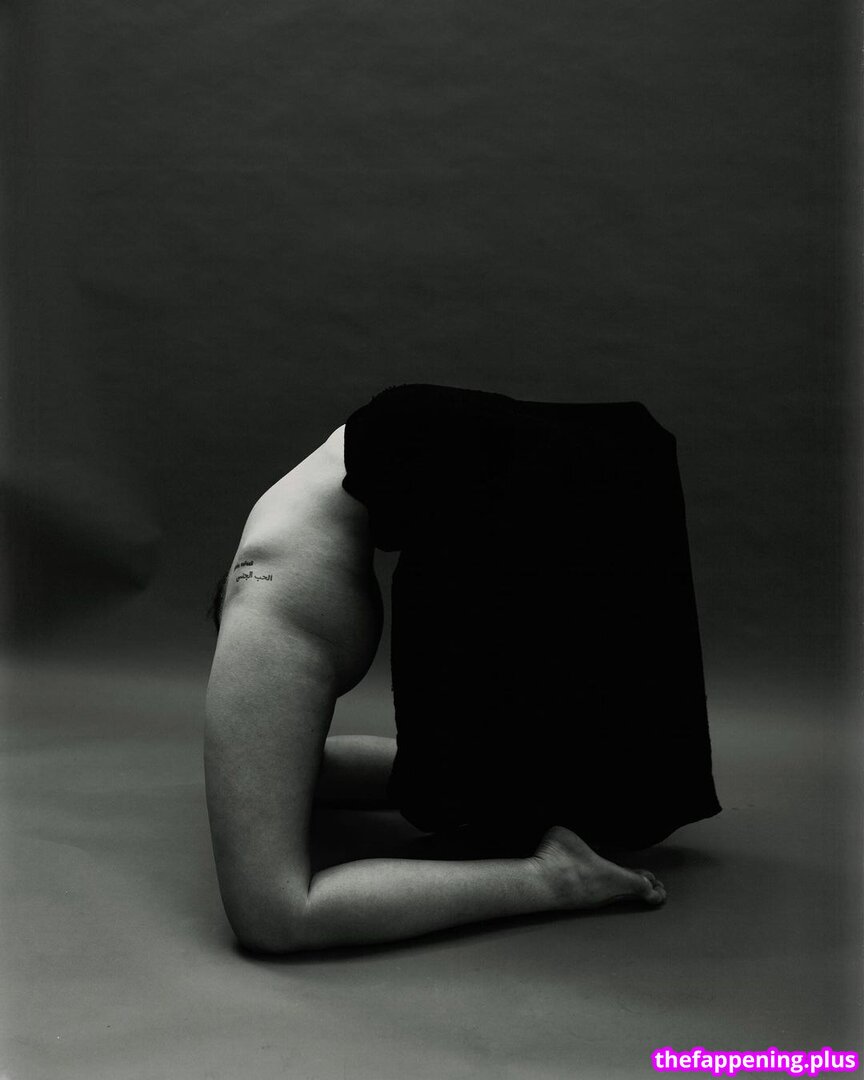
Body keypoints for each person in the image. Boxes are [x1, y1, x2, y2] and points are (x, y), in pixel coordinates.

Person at [205, 387, 686, 954]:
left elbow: (274, 760)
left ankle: (554, 876)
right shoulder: (289, 517)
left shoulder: (257, 612)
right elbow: (296, 762)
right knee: (284, 771)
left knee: (273, 914)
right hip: (499, 447)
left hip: (442, 460)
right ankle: (501, 782)